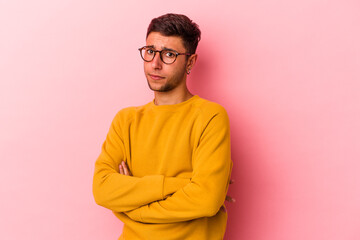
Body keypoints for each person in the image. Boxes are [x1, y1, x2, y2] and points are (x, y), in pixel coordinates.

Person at [93, 13, 233, 240]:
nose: (155, 64)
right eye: (150, 51)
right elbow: (102, 189)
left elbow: (206, 201)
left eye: (169, 54)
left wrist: (133, 205)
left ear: (190, 62)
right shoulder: (126, 120)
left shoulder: (211, 117)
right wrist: (184, 185)